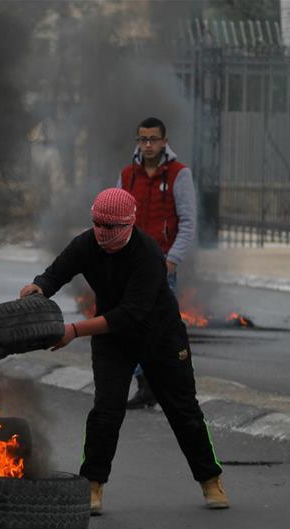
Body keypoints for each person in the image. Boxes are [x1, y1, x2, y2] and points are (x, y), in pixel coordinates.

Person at [20, 187, 227, 515]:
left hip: (160, 337)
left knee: (183, 411)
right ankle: (92, 486)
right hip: (112, 341)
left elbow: (129, 315)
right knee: (106, 410)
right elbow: (56, 273)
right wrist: (39, 287)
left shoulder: (148, 255)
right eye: (97, 223)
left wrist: (73, 331)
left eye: (111, 227)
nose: (102, 232)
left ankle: (210, 479)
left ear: (129, 224)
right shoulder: (86, 243)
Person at [117, 117, 197, 409]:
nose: (148, 145)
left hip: (162, 265)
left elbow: (188, 222)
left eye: (153, 139)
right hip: (130, 266)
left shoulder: (178, 175)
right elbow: (116, 217)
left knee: (161, 329)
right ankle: (145, 385)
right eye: (142, 139)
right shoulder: (128, 176)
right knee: (131, 327)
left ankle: (167, 384)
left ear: (164, 141)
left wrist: (172, 260)